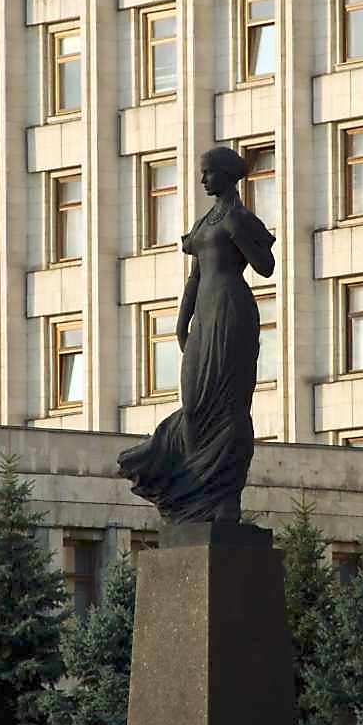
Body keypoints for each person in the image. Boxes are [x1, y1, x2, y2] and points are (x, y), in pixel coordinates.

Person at [118, 146, 275, 523]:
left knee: (228, 405)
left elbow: (266, 266)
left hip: (231, 313)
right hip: (204, 316)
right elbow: (195, 277)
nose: (203, 179)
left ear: (226, 174)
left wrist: (239, 235)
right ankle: (194, 487)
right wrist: (181, 321)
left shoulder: (239, 218)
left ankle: (222, 498)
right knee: (194, 403)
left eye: (209, 172)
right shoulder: (204, 222)